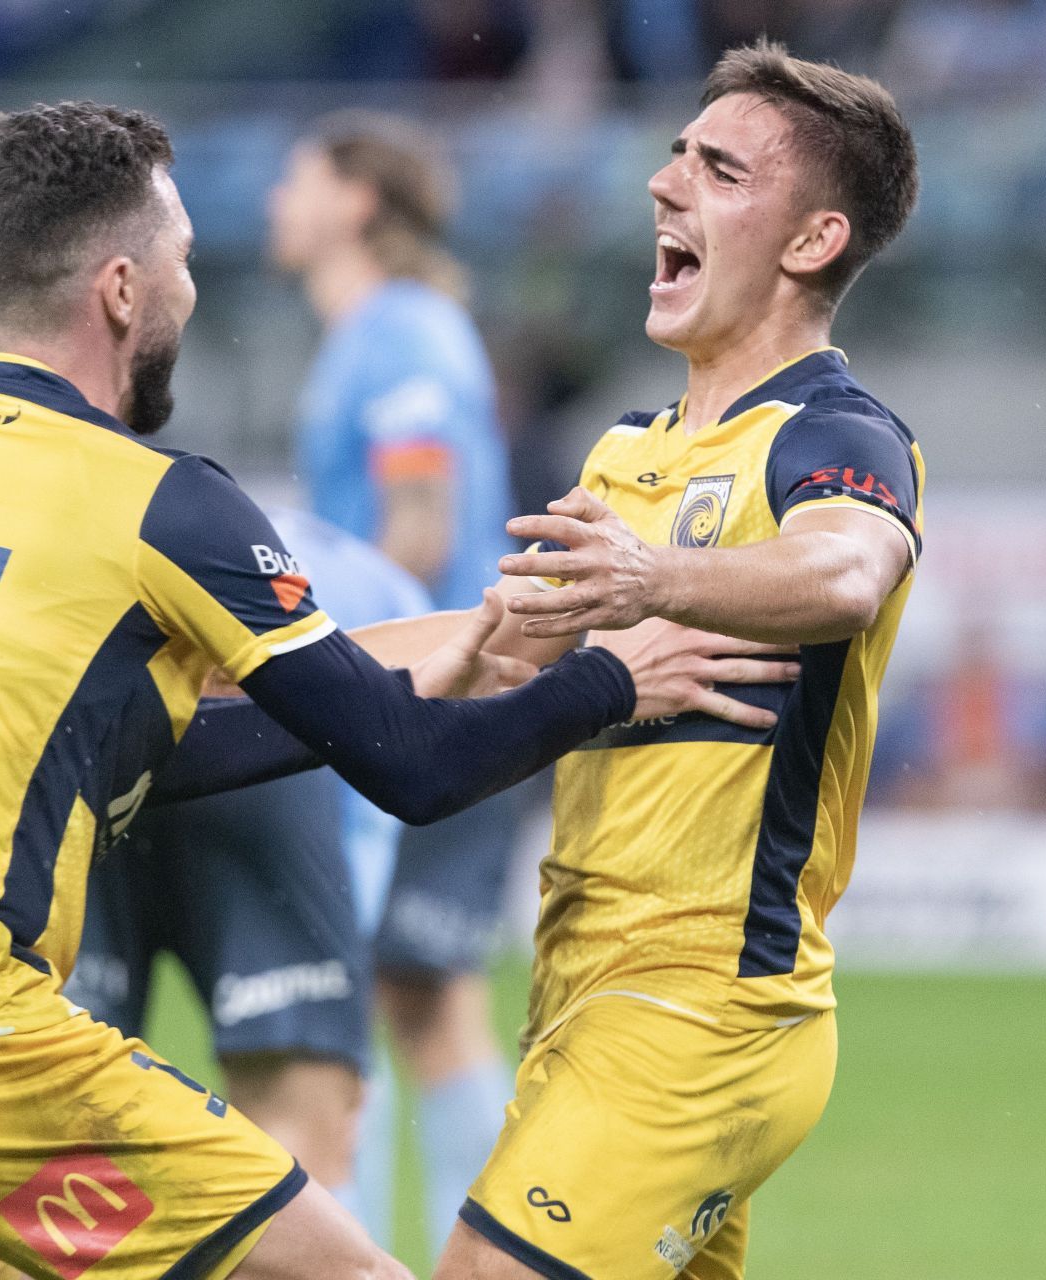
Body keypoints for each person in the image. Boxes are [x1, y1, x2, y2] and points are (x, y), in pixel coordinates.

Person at [0, 101, 783, 1280]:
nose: (192, 291)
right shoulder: (156, 495)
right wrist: (611, 681)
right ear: (119, 289)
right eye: (183, 260)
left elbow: (131, 751)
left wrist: (444, 645)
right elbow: (411, 767)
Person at [406, 42, 927, 1280]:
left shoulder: (836, 433)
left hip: (709, 999)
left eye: (718, 169)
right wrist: (243, 659)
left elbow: (848, 572)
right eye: (675, 153)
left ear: (810, 242)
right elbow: (490, 648)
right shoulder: (624, 453)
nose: (663, 183)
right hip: (577, 983)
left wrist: (655, 577)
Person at [266, 111, 527, 1242]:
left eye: (297, 173)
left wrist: (330, 671)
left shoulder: (403, 333)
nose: (276, 196)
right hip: (437, 691)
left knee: (363, 997)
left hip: (432, 695)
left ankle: (380, 1252)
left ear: (355, 202)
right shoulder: (381, 332)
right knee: (419, 996)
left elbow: (417, 527)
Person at [63, 506, 435, 1220]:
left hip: (92, 726)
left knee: (62, 1150)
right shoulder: (370, 585)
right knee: (304, 1142)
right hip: (273, 746)